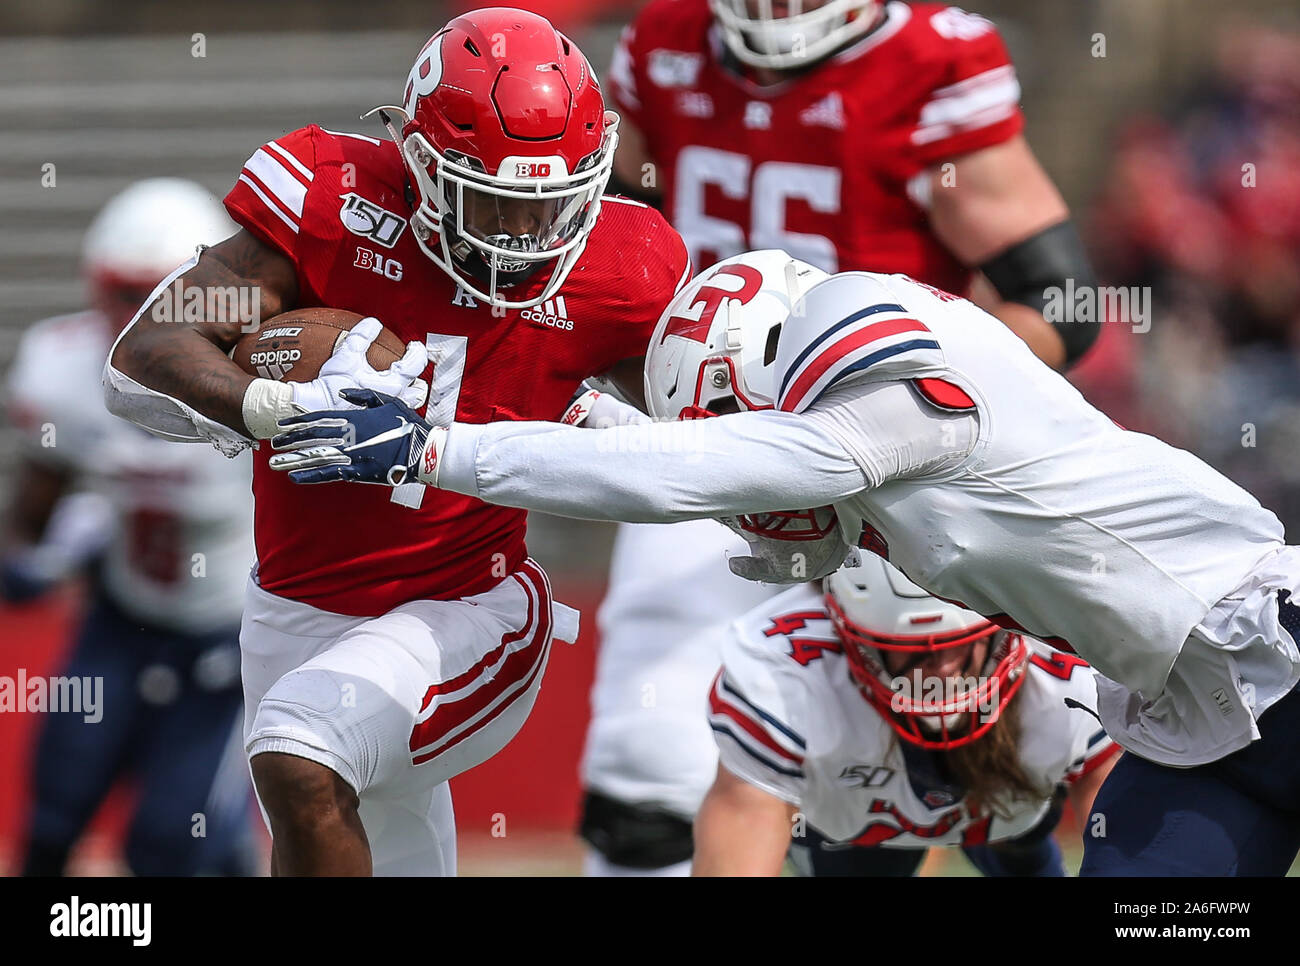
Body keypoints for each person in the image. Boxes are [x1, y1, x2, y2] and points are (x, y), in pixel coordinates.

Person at [271, 248, 1300, 875]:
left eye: (723, 426)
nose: (748, 502)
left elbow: (686, 471)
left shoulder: (892, 378)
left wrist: (433, 446)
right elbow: (707, 474)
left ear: (751, 381)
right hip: (1189, 725)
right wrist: (573, 415)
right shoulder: (856, 415)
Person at [102, 8, 690, 876]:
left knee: (302, 753)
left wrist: (592, 431)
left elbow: (692, 433)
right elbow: (150, 347)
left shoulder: (622, 263)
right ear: (418, 161)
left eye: (549, 203)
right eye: (492, 199)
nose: (523, 237)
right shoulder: (332, 200)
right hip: (294, 607)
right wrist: (269, 405)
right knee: (365, 822)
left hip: (472, 603)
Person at [579, 0, 1100, 875]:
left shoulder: (928, 57)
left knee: (934, 770)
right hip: (702, 440)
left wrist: (923, 400)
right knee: (643, 777)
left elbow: (1057, 301)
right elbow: (598, 239)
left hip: (877, 464)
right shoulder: (666, 38)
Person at [3, 178, 257, 876]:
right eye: (123, 292)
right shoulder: (63, 369)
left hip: (227, 647)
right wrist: (48, 552)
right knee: (53, 815)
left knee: (173, 843)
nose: (135, 317)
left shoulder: (263, 373)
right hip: (122, 623)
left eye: (156, 297)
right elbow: (29, 524)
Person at [694, 557, 1117, 876]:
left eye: (958, 645)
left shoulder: (1076, 678)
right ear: (849, 637)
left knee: (1029, 853)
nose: (941, 672)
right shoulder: (781, 682)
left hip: (1015, 808)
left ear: (1011, 632)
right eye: (913, 650)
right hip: (850, 826)